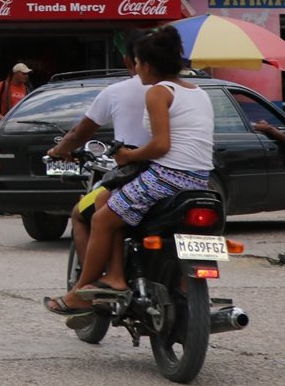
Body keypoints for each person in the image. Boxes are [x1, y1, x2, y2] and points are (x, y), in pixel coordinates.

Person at [45, 26, 213, 317]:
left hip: (167, 176)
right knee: (105, 203)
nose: (135, 70)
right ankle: (117, 277)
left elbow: (161, 145)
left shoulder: (158, 92)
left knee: (101, 218)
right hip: (200, 179)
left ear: (146, 65)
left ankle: (84, 293)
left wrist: (127, 155)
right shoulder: (199, 91)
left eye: (137, 63)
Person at [47, 29, 151, 269]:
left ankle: (91, 286)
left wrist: (58, 151)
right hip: (193, 179)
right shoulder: (190, 91)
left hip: (137, 176)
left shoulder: (119, 91)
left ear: (129, 60)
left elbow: (78, 134)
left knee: (81, 213)